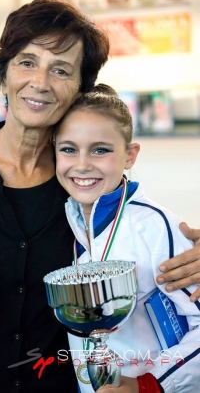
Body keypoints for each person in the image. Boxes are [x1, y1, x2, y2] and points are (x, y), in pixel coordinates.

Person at [0, 0, 199, 393]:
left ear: (79, 89)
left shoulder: (84, 185)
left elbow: (149, 237)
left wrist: (188, 255)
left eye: (61, 69)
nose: (40, 82)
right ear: (4, 74)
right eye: (27, 62)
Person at [54, 84, 200, 393]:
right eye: (68, 149)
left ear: (130, 155)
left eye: (101, 150)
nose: (82, 164)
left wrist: (149, 386)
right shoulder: (65, 222)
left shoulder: (155, 225)